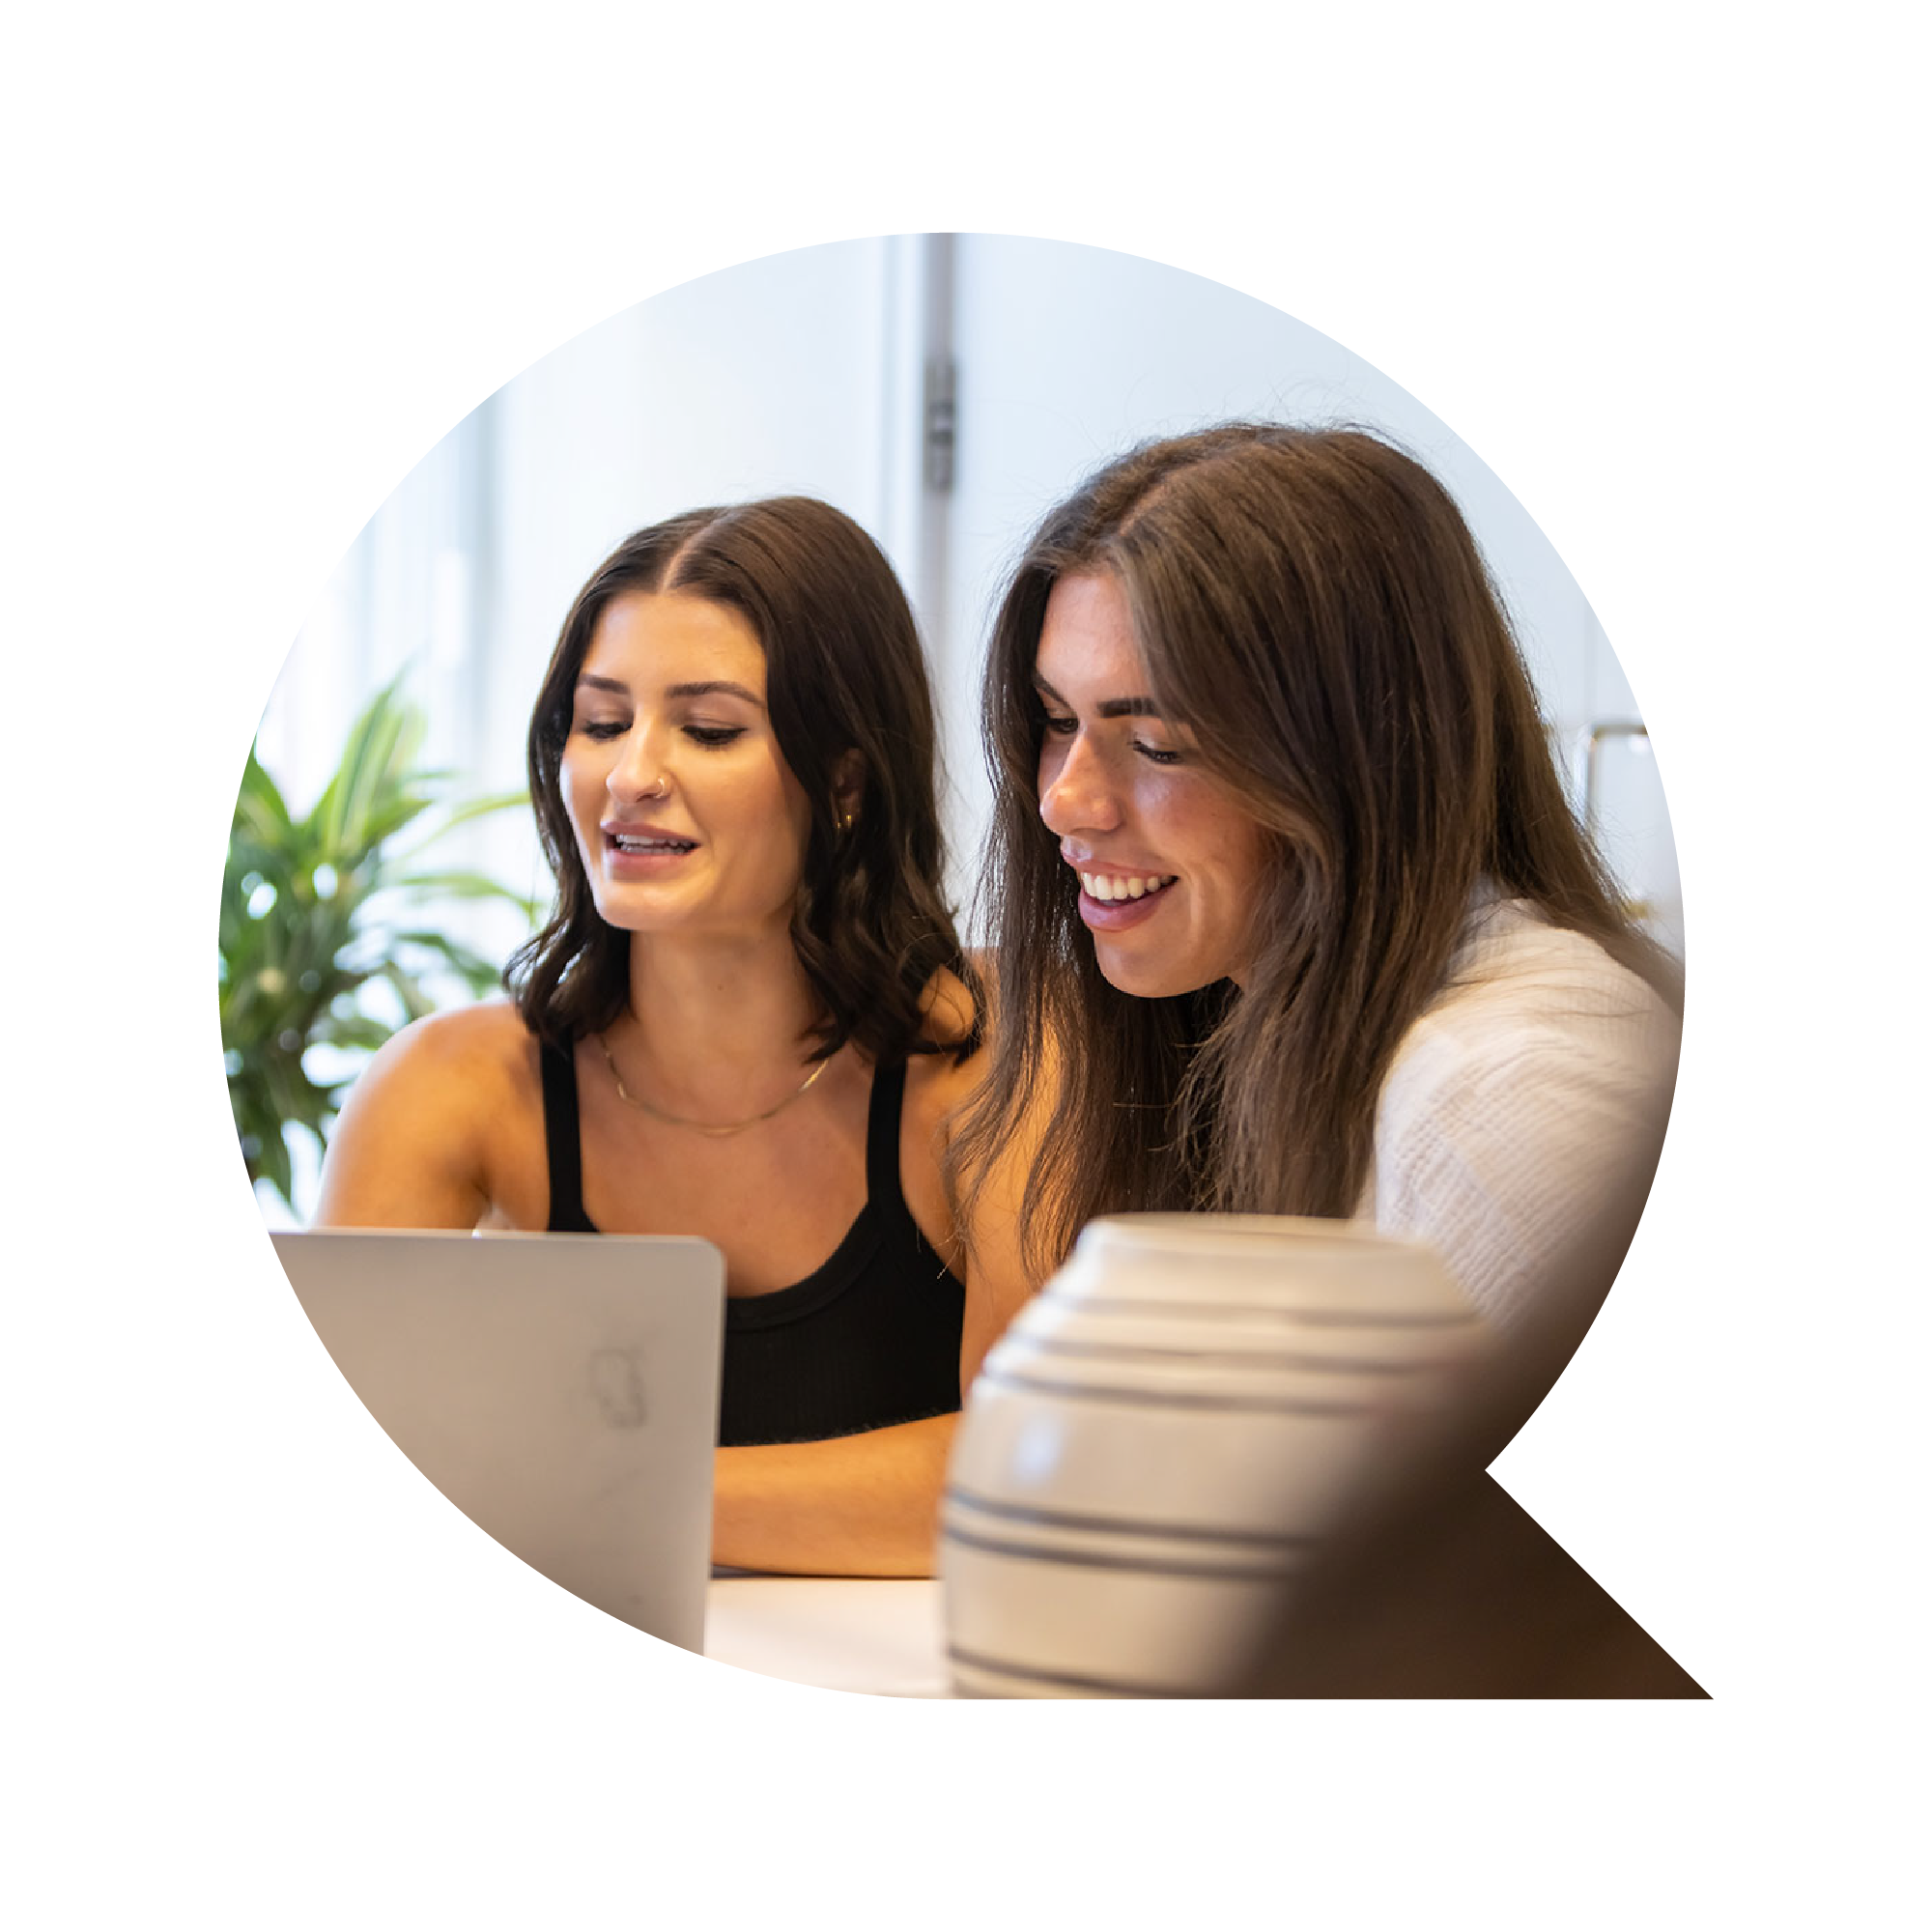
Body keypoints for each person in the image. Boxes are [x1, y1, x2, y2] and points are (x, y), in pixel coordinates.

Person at [315, 496, 1034, 1576]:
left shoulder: (998, 1057)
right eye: (601, 722)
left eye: (707, 728)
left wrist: (586, 1485)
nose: (630, 773)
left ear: (843, 781)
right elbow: (347, 1471)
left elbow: (1032, 1473)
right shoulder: (450, 1085)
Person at [952, 422, 1683, 1348]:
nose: (1066, 802)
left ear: (1357, 754)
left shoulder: (1510, 1097)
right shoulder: (1253, 1035)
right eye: (1057, 720)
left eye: (1156, 743)